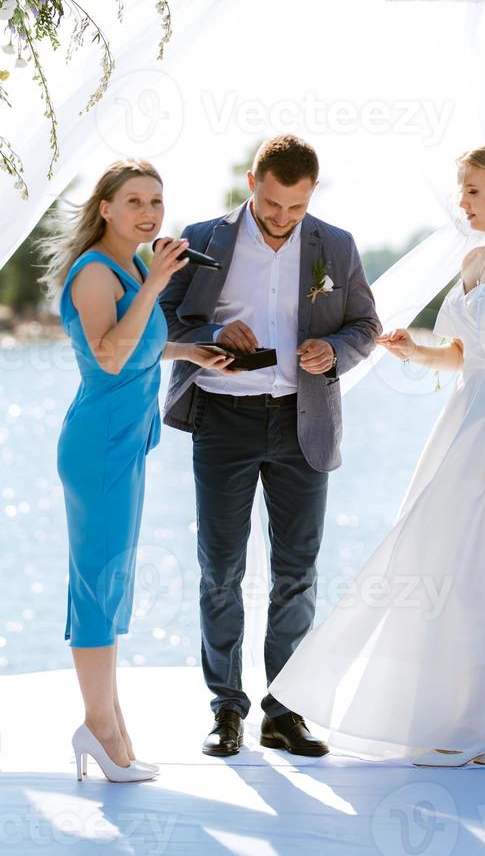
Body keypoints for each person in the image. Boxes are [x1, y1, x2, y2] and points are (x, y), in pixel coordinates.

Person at [269, 141, 485, 767]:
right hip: (464, 414)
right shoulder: (476, 260)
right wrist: (414, 351)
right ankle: (455, 711)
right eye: (464, 190)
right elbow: (461, 352)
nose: (464, 202)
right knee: (442, 554)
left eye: (473, 190)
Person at [160, 134, 382, 758]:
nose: (283, 219)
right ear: (253, 180)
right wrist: (209, 332)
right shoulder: (203, 238)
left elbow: (365, 325)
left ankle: (284, 713)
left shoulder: (335, 245)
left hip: (301, 423)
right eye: (274, 203)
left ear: (312, 194)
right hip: (222, 419)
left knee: (297, 574)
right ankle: (225, 710)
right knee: (220, 569)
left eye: (297, 208)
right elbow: (159, 319)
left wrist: (331, 351)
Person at [41, 159, 234, 782]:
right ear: (106, 207)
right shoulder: (96, 272)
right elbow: (108, 355)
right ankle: (101, 731)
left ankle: (112, 728)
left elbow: (139, 346)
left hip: (125, 444)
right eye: (134, 202)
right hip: (98, 445)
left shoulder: (129, 266)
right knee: (96, 587)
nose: (149, 213)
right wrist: (154, 285)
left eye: (156, 201)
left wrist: (187, 350)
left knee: (108, 583)